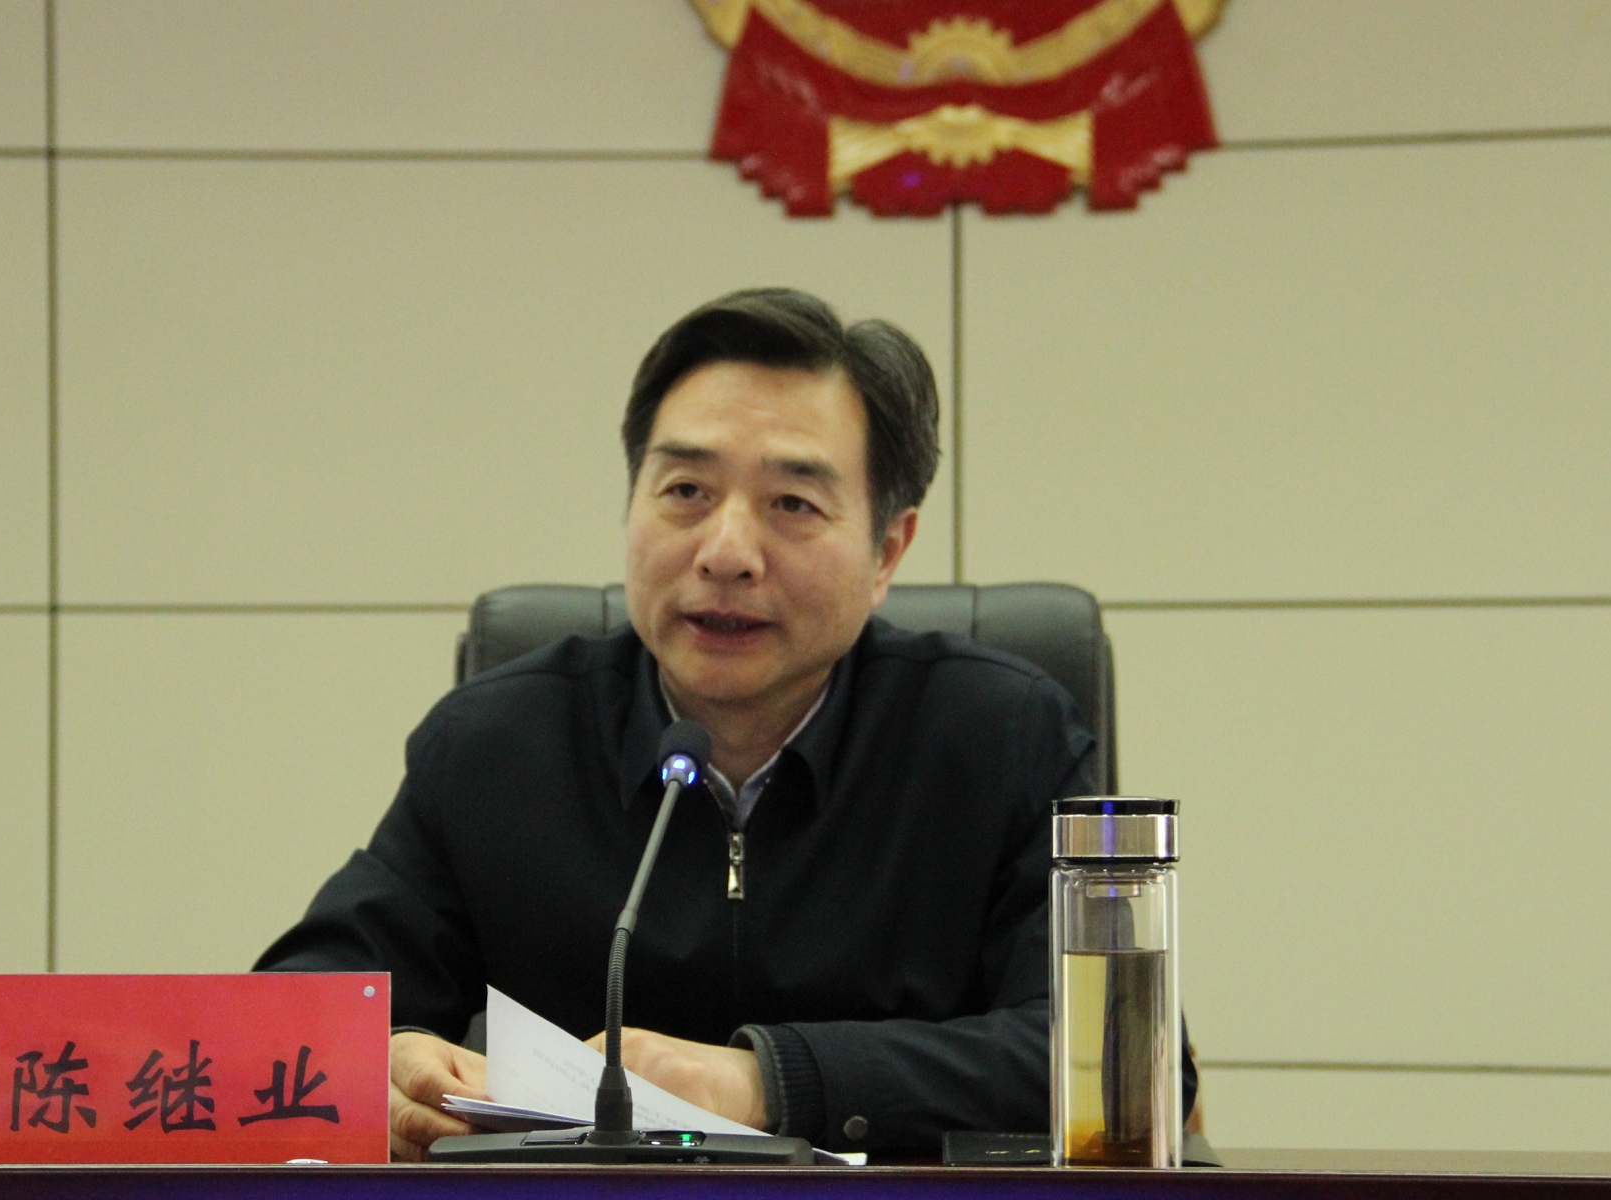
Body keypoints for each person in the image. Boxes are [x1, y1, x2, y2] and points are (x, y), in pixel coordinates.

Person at [257, 288, 1143, 1160]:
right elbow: (285, 1022)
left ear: (887, 552)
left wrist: (768, 1082)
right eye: (686, 490)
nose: (726, 554)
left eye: (792, 504)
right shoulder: (499, 744)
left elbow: (1119, 1062)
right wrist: (386, 1059)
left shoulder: (999, 737)